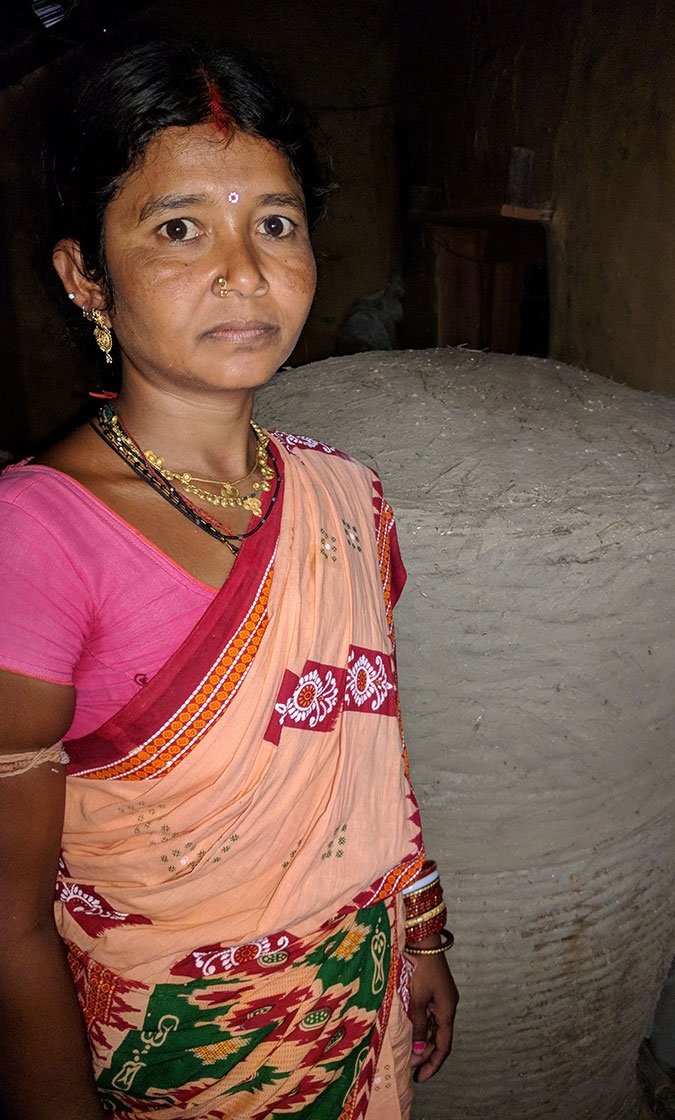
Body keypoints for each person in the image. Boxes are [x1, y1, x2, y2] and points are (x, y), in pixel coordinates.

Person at [0, 37, 457, 1120]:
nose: (243, 271)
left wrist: (420, 930)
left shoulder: (346, 499)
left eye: (276, 222)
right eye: (177, 227)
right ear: (83, 275)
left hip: (359, 1002)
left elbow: (368, 749)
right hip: (177, 1054)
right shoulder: (35, 539)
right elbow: (7, 923)